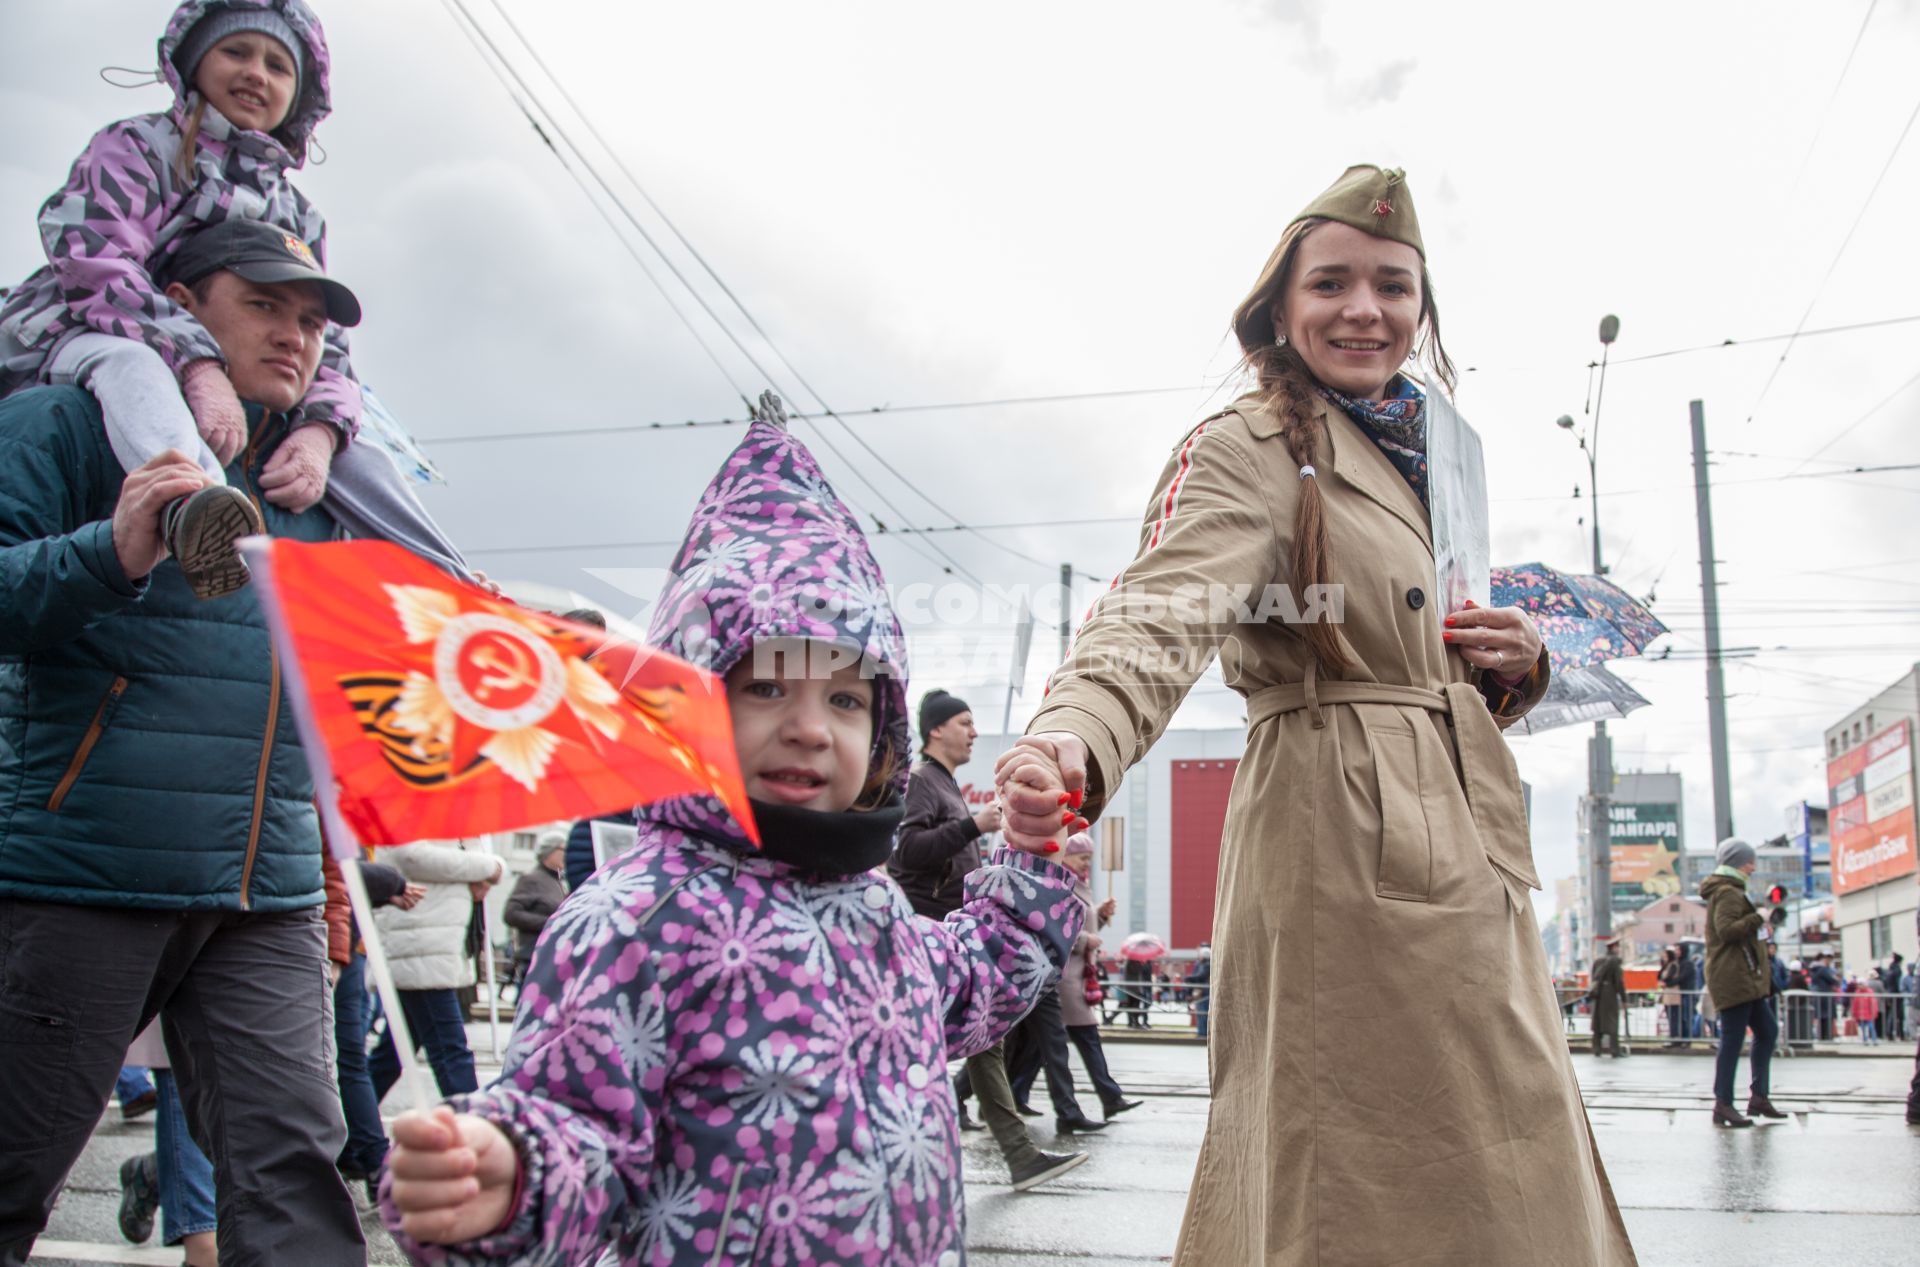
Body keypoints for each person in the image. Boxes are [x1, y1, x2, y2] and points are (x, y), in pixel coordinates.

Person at [993, 165, 1635, 1263]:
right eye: (1331, 283)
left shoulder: (1434, 454)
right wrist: (1074, 732)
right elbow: (1158, 608)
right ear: (1279, 310)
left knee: (1501, 1165)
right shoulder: (1256, 444)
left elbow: (1423, 645)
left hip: (1463, 845)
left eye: (1392, 285)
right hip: (1341, 841)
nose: (1363, 309)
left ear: (1422, 309)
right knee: (1358, 1176)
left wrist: (1515, 660)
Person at [377, 396, 1086, 1261]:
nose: (810, 727)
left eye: (845, 698)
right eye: (765, 687)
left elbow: (981, 973)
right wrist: (512, 1175)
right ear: (690, 703)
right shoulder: (636, 920)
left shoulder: (878, 914)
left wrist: (1033, 853)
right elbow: (581, 1125)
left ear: (885, 734)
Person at [0, 219, 369, 1263]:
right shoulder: (64, 424)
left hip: (270, 888)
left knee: (295, 1176)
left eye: (310, 322)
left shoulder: (322, 481)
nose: (294, 337)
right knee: (14, 1164)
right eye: (262, 305)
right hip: (90, 868)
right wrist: (108, 551)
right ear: (180, 304)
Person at [0, 1, 468, 597]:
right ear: (193, 61)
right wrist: (198, 362)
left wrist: (321, 431)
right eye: (237, 52)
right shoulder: (139, 145)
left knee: (360, 449)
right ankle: (190, 508)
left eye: (278, 66)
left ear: (300, 95)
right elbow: (94, 257)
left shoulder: (301, 214)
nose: (256, 73)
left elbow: (328, 346)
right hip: (89, 330)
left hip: (214, 356)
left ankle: (463, 590)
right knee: (133, 365)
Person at [896, 687, 1088, 1183]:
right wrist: (971, 827)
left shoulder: (943, 783)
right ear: (936, 729)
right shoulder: (923, 781)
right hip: (934, 930)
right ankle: (1010, 1152)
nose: (974, 731)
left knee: (987, 1038)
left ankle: (1010, 1149)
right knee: (980, 1039)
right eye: (964, 722)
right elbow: (906, 851)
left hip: (956, 929)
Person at [368, 841, 507, 1100]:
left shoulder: (452, 813)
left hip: (431, 942)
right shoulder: (415, 804)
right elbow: (413, 857)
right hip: (419, 942)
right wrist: (489, 867)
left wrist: (487, 869)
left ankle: (353, 1128)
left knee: (392, 1054)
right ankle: (470, 1127)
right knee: (450, 1050)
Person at [333, 853, 422, 1198]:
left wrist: (383, 890)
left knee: (351, 1058)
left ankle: (371, 1160)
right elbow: (339, 867)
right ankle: (370, 1160)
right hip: (324, 940)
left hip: (343, 942)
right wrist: (390, 882)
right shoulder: (328, 804)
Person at [1055, 832, 1143, 1117]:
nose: (1086, 864)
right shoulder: (1061, 884)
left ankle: (1014, 1093)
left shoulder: (1078, 885)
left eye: (1089, 859)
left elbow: (1081, 923)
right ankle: (1110, 1097)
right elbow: (1056, 927)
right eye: (1083, 857)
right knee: (1085, 1038)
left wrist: (1100, 915)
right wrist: (1084, 941)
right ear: (1066, 855)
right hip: (1067, 979)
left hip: (1076, 977)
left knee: (1035, 1050)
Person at [1701, 837, 1786, 1127]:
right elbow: (1726, 931)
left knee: (1767, 1031)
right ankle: (1723, 1103)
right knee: (1733, 1040)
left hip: (1745, 979)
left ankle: (1757, 1097)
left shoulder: (1732, 890)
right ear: (1738, 862)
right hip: (1733, 978)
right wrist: (1758, 919)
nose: (1753, 867)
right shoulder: (1727, 892)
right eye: (1750, 861)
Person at [502, 830, 568, 984]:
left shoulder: (559, 882)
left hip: (552, 954)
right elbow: (511, 913)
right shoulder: (531, 879)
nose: (566, 854)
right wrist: (550, 923)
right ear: (549, 851)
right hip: (533, 955)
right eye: (563, 849)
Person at [1588, 938, 1628, 1058]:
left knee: (1598, 1021)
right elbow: (1619, 982)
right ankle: (1614, 1050)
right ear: (1614, 948)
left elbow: (1594, 978)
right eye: (1617, 947)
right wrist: (1624, 998)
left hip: (1599, 993)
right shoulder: (1614, 961)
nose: (1618, 949)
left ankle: (1596, 1048)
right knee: (1612, 1021)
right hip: (1610, 993)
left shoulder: (1598, 960)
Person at [1810, 953, 1840, 1041]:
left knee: (1821, 1017)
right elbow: (1833, 980)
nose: (1828, 961)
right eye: (1827, 959)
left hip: (1819, 995)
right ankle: (1827, 1036)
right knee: (1827, 1017)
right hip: (1825, 995)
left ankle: (1822, 1036)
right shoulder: (1823, 969)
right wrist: (1835, 979)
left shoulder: (1813, 969)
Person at [1659, 947, 1684, 1047]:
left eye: (1665, 956)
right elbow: (1660, 975)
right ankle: (1672, 1037)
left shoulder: (1673, 965)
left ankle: (1675, 1038)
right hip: (1668, 994)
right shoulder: (1667, 965)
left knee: (1674, 1017)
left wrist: (1665, 983)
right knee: (1670, 1017)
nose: (1664, 958)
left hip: (1673, 994)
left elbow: (1668, 977)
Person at [1188, 944, 1212, 1039]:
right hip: (1203, 992)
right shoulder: (1203, 964)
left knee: (1203, 1012)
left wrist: (1189, 978)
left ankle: (1203, 1033)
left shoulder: (1205, 965)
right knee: (1201, 1012)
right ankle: (1201, 1032)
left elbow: (1200, 976)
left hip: (1204, 992)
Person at [1851, 975, 1881, 1045]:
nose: (1859, 986)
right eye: (1858, 984)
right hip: (1860, 1014)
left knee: (1871, 1027)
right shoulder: (1857, 992)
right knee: (1863, 1028)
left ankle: (1874, 1039)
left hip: (1869, 1013)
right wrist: (1854, 1012)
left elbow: (1873, 1003)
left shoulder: (1869, 992)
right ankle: (1865, 1039)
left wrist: (1874, 1012)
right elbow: (1855, 1003)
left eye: (1861, 984)